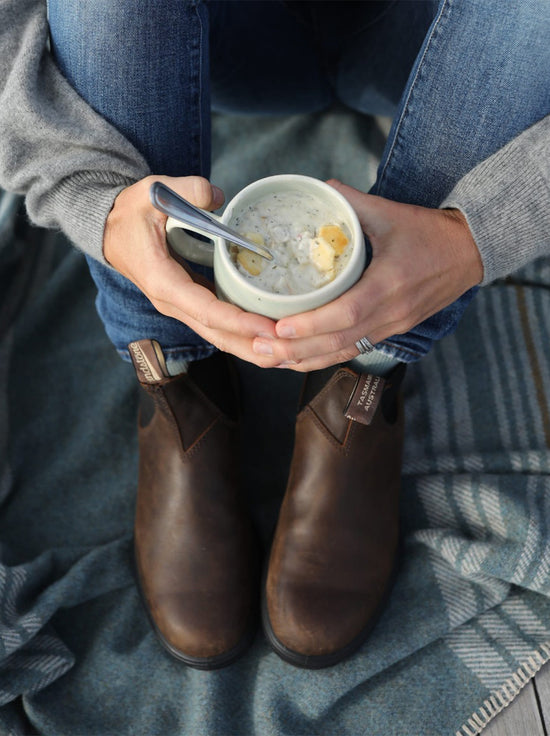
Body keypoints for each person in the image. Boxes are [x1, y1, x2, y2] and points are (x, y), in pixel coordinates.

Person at [0, 0, 548, 670]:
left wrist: (478, 233)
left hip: (456, 47)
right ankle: (173, 376)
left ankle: (367, 372)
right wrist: (93, 197)